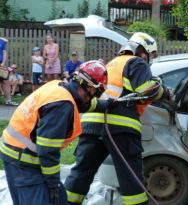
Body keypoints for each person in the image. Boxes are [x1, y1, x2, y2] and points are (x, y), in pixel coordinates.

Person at [65, 32, 171, 205]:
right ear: (142, 51)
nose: (148, 59)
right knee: (131, 179)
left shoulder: (111, 64)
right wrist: (165, 92)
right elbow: (145, 90)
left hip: (91, 125)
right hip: (120, 128)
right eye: (149, 54)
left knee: (81, 174)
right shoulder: (136, 62)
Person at [0, 60, 109, 205]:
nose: (94, 98)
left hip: (15, 152)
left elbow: (84, 104)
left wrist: (108, 104)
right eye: (96, 94)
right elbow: (47, 150)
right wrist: (54, 185)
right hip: (24, 162)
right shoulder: (62, 106)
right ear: (92, 89)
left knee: (61, 200)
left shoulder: (58, 86)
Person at [0, 37, 18, 106]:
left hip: (1, 65)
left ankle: (8, 100)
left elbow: (4, 53)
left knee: (6, 82)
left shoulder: (2, 42)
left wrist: (3, 63)